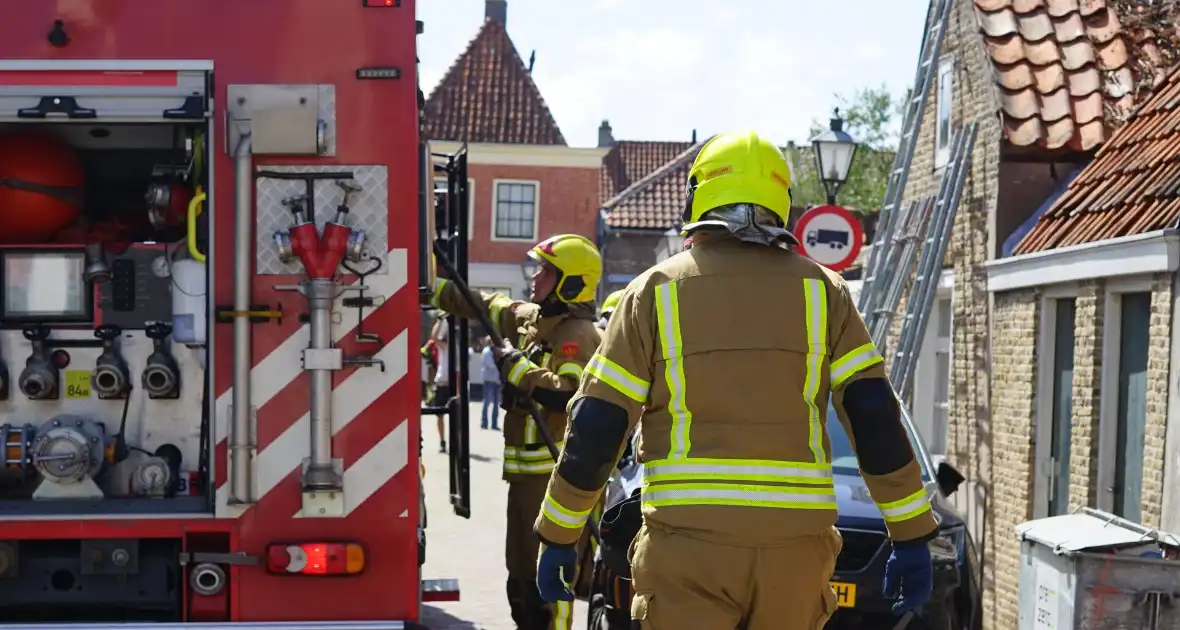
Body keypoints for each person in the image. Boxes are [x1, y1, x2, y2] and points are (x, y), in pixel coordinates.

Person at [532, 131, 936, 629]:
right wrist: (911, 532)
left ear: (698, 196)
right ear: (781, 202)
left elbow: (599, 425)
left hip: (688, 550)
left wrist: (559, 533)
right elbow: (873, 415)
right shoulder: (825, 293)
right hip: (795, 555)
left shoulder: (652, 294)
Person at [424, 233, 605, 630]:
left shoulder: (578, 336)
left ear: (570, 281)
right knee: (519, 580)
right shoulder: (532, 319)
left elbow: (568, 396)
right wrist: (427, 285)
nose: (535, 276)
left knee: (548, 582)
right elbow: (484, 304)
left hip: (553, 480)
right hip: (524, 478)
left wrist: (518, 368)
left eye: (545, 270)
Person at [428, 313, 451, 453]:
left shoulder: (459, 348)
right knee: (439, 415)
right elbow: (434, 337)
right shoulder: (444, 347)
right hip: (442, 382)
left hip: (453, 382)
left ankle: (456, 440)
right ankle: (442, 441)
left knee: (456, 415)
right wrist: (440, 320)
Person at [481, 336, 502, 430]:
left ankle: (494, 423)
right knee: (486, 402)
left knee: (496, 403)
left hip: (496, 380)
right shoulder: (486, 351)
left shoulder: (498, 351)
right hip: (489, 380)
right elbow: (491, 364)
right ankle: (484, 423)